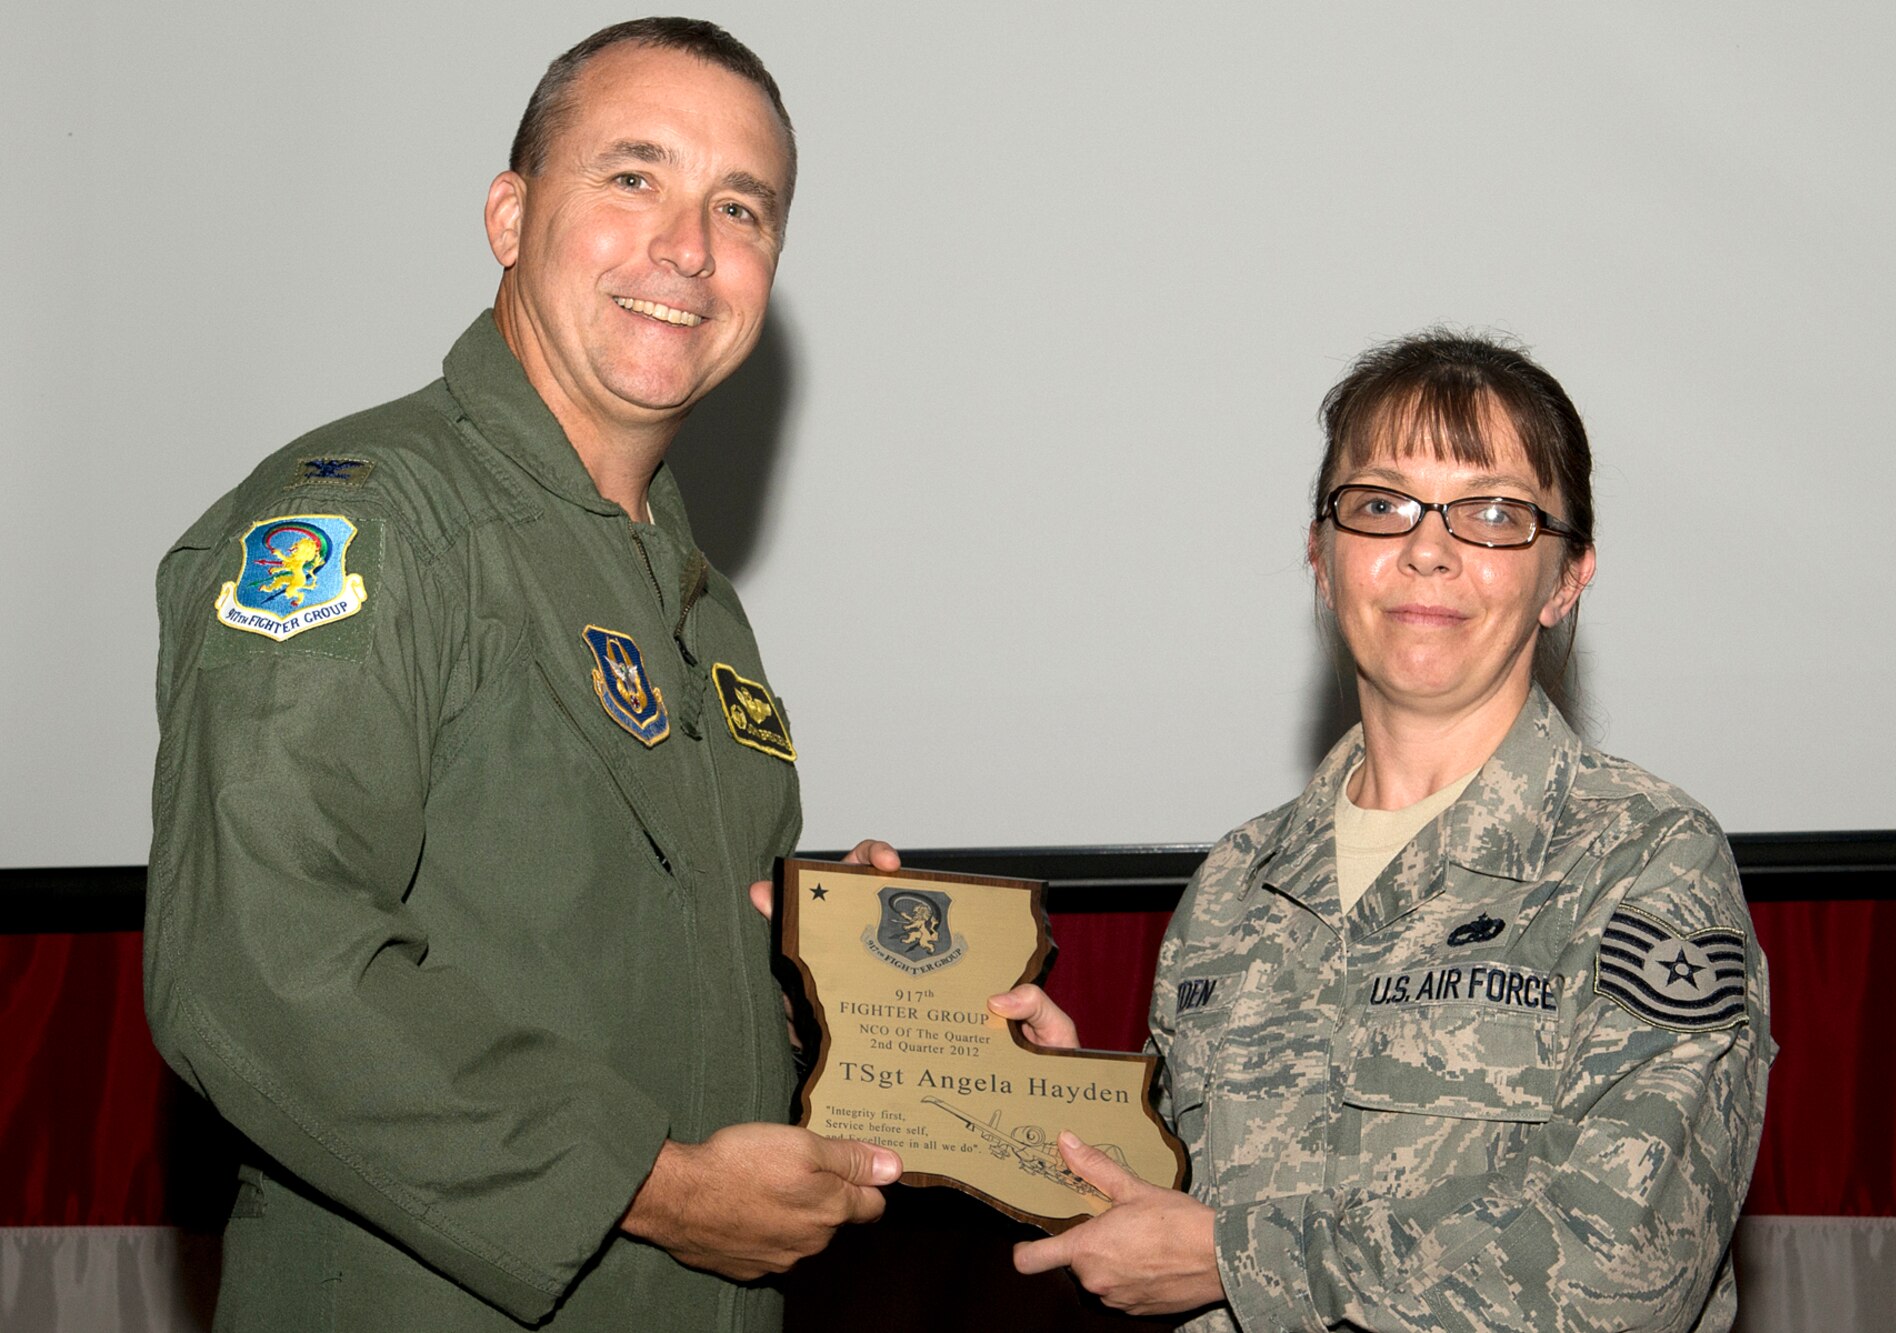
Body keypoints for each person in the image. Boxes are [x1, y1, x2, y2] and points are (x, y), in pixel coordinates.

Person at [144, 19, 902, 1331]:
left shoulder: (700, 605)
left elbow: (615, 971)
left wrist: (852, 990)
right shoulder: (368, 526)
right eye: (632, 177)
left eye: (742, 207)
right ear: (509, 214)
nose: (688, 246)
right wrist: (647, 1187)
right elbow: (261, 966)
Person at [991, 332, 1774, 1331]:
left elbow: (1626, 1267)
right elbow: (1169, 1230)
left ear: (1566, 576)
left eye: (1493, 512)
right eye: (1379, 505)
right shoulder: (1236, 883)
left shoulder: (1641, 860)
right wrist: (1068, 1120)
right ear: (1321, 557)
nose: (1427, 548)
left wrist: (1239, 1263)